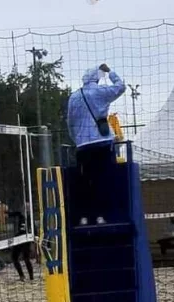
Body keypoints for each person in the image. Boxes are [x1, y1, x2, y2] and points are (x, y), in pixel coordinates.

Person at [66, 63, 127, 226]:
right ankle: (102, 216)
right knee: (104, 180)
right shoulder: (100, 92)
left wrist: (77, 140)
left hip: (83, 146)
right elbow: (121, 87)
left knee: (85, 181)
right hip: (102, 143)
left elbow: (70, 122)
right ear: (97, 79)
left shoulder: (74, 97)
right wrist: (110, 72)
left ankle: (84, 217)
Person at [9, 209, 34, 282]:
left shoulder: (26, 217)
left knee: (18, 258)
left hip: (22, 239)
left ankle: (24, 276)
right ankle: (29, 277)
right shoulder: (26, 217)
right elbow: (15, 213)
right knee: (22, 258)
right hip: (24, 239)